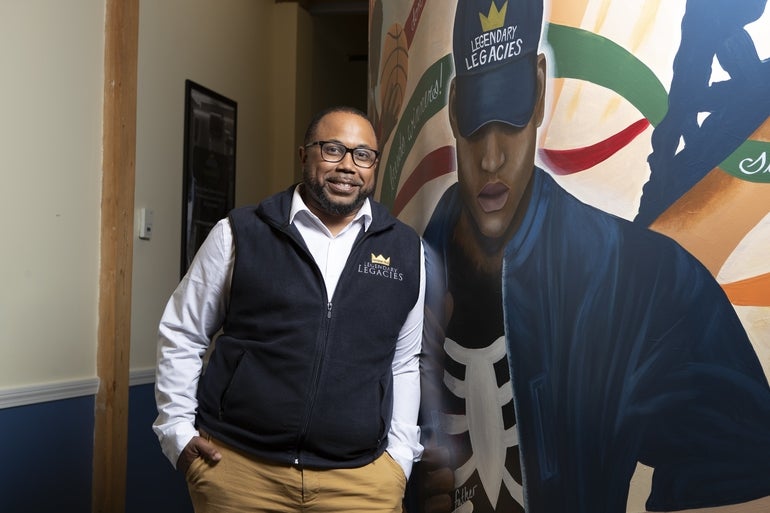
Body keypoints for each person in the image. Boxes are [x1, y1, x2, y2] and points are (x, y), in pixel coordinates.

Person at [416, 1, 770, 512]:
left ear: (538, 90)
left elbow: (740, 452)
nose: (491, 157)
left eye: (509, 118)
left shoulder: (634, 277)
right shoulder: (405, 275)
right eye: (475, 122)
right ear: (452, 107)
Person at [154, 105, 426, 513]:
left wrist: (400, 460)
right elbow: (183, 332)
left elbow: (405, 362)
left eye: (362, 155)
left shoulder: (406, 251)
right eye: (332, 149)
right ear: (304, 154)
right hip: (240, 472)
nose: (348, 166)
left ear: (374, 166)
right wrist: (175, 432)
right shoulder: (239, 233)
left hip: (360, 483)